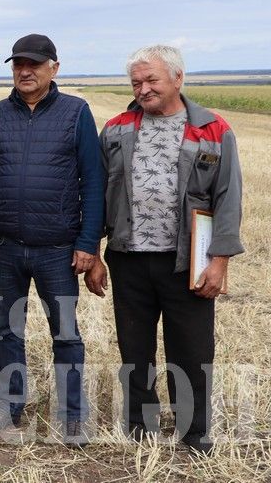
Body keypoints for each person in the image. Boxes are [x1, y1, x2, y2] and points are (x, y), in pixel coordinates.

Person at [86, 45, 243, 455]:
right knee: (134, 349)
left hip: (187, 262)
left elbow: (228, 198)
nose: (143, 88)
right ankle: (140, 426)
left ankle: (194, 433)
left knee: (192, 350)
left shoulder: (212, 130)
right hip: (128, 258)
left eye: (151, 79)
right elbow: (100, 195)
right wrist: (95, 253)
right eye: (136, 82)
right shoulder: (116, 128)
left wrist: (219, 262)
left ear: (177, 78)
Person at [0, 34, 104, 446]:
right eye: (18, 64)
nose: (25, 71)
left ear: (54, 67)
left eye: (33, 64)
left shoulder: (75, 113)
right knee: (8, 331)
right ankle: (9, 406)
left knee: (65, 331)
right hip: (6, 246)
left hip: (58, 249)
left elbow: (94, 180)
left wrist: (88, 242)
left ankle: (72, 415)